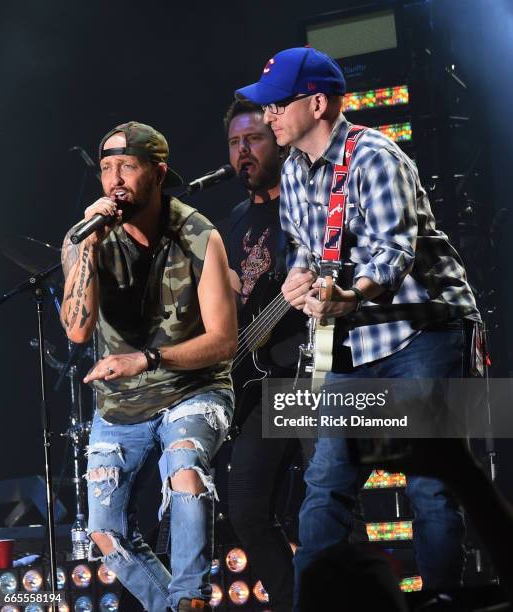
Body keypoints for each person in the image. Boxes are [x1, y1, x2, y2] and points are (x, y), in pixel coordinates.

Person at [235, 47, 481, 607]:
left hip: (428, 328)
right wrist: (299, 279)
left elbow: (394, 253)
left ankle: (443, 598)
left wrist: (348, 297)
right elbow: (305, 247)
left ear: (316, 103)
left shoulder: (377, 157)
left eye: (277, 105)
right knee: (326, 482)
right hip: (361, 338)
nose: (268, 116)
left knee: (432, 481)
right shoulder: (294, 169)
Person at [60, 121, 236, 612]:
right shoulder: (84, 238)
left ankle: (190, 599)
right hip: (120, 406)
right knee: (105, 532)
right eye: (107, 168)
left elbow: (223, 341)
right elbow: (76, 329)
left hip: (192, 388)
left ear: (158, 174)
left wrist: (147, 359)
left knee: (183, 460)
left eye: (128, 167)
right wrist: (87, 250)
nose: (115, 180)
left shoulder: (199, 235)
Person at [219, 99, 309, 612]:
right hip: (259, 380)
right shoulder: (232, 221)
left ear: (277, 138)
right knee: (248, 511)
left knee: (328, 504)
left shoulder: (304, 203)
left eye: (252, 139)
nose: (243, 152)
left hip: (312, 370)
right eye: (234, 143)